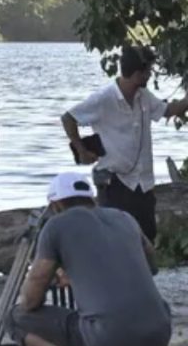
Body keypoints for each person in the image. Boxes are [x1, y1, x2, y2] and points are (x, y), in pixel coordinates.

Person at [9, 172, 171, 346]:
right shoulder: (124, 218)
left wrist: (52, 279)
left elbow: (31, 299)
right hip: (158, 337)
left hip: (109, 341)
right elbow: (151, 267)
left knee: (15, 319)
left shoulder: (56, 226)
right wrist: (81, 276)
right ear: (91, 198)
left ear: (55, 205)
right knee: (128, 302)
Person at [62, 45, 188, 242]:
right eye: (148, 72)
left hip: (143, 183)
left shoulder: (143, 96)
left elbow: (168, 110)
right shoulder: (104, 99)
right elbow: (68, 118)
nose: (149, 75)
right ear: (138, 73)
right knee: (114, 240)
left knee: (146, 239)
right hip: (114, 184)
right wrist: (82, 150)